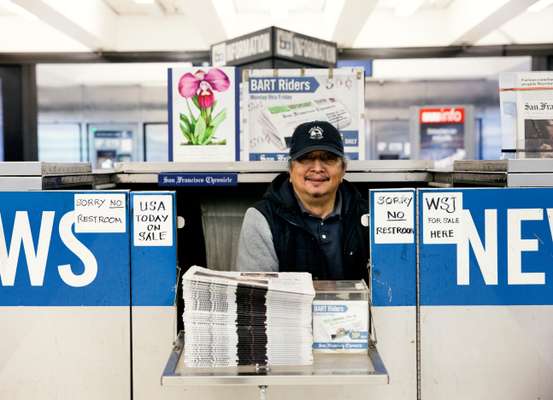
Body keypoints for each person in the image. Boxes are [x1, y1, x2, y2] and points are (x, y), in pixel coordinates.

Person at [236, 120, 369, 282]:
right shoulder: (261, 218)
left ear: (343, 169)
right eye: (306, 158)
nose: (317, 168)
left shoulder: (368, 216)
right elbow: (257, 297)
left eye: (328, 158)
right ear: (290, 169)